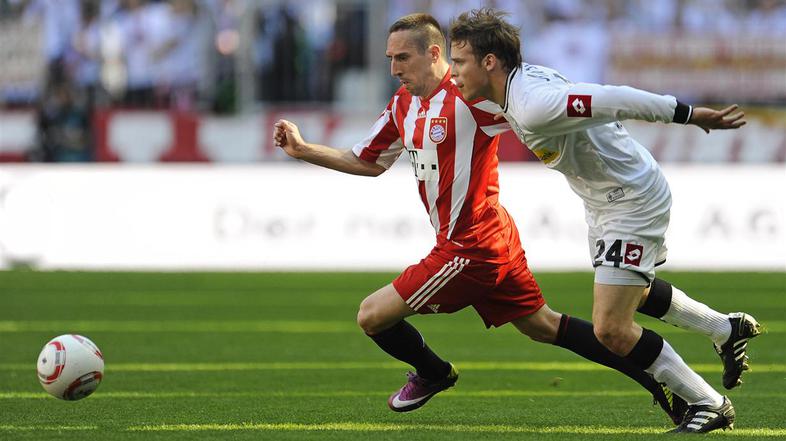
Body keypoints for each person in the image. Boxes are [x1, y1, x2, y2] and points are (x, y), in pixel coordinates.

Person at [274, 13, 688, 424]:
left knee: (371, 315)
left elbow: (536, 106)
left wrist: (601, 151)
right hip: (491, 236)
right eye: (390, 59)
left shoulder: (473, 98)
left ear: (433, 53)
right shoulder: (402, 104)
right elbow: (367, 161)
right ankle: (657, 378)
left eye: (402, 58)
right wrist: (303, 150)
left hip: (470, 248)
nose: (394, 68)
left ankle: (433, 372)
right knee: (543, 326)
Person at [448, 8, 761, 434]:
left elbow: (614, 98)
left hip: (631, 200)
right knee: (634, 292)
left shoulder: (534, 103)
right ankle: (725, 328)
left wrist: (687, 114)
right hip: (604, 201)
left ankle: (708, 402)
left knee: (611, 328)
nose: (453, 72)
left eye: (459, 62)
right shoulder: (512, 89)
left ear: (489, 62)